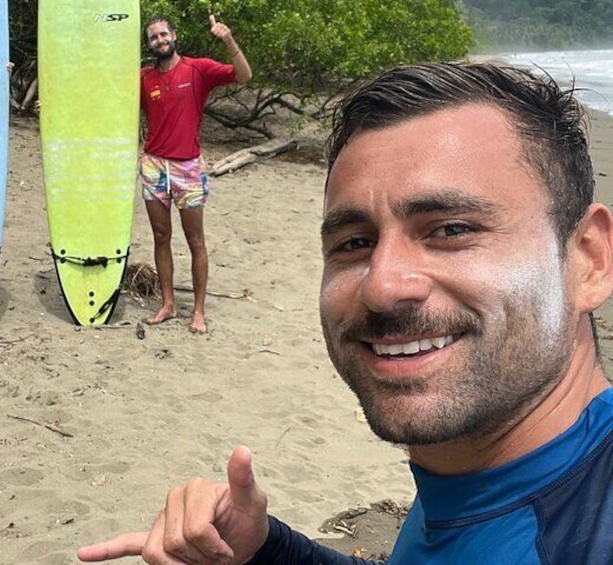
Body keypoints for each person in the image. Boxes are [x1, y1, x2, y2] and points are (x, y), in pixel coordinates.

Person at [77, 62, 613, 563]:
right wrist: (268, 552)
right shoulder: (483, 468)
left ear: (587, 260)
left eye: (451, 230)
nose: (382, 286)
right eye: (355, 242)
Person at [140, 15, 252, 334]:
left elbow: (244, 75)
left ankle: (199, 311)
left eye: (163, 34)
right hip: (152, 166)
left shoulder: (197, 68)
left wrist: (228, 39)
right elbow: (109, 103)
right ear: (148, 45)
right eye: (153, 38)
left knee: (195, 241)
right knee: (161, 236)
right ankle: (168, 304)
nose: (160, 41)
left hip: (187, 167)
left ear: (173, 36)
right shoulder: (144, 78)